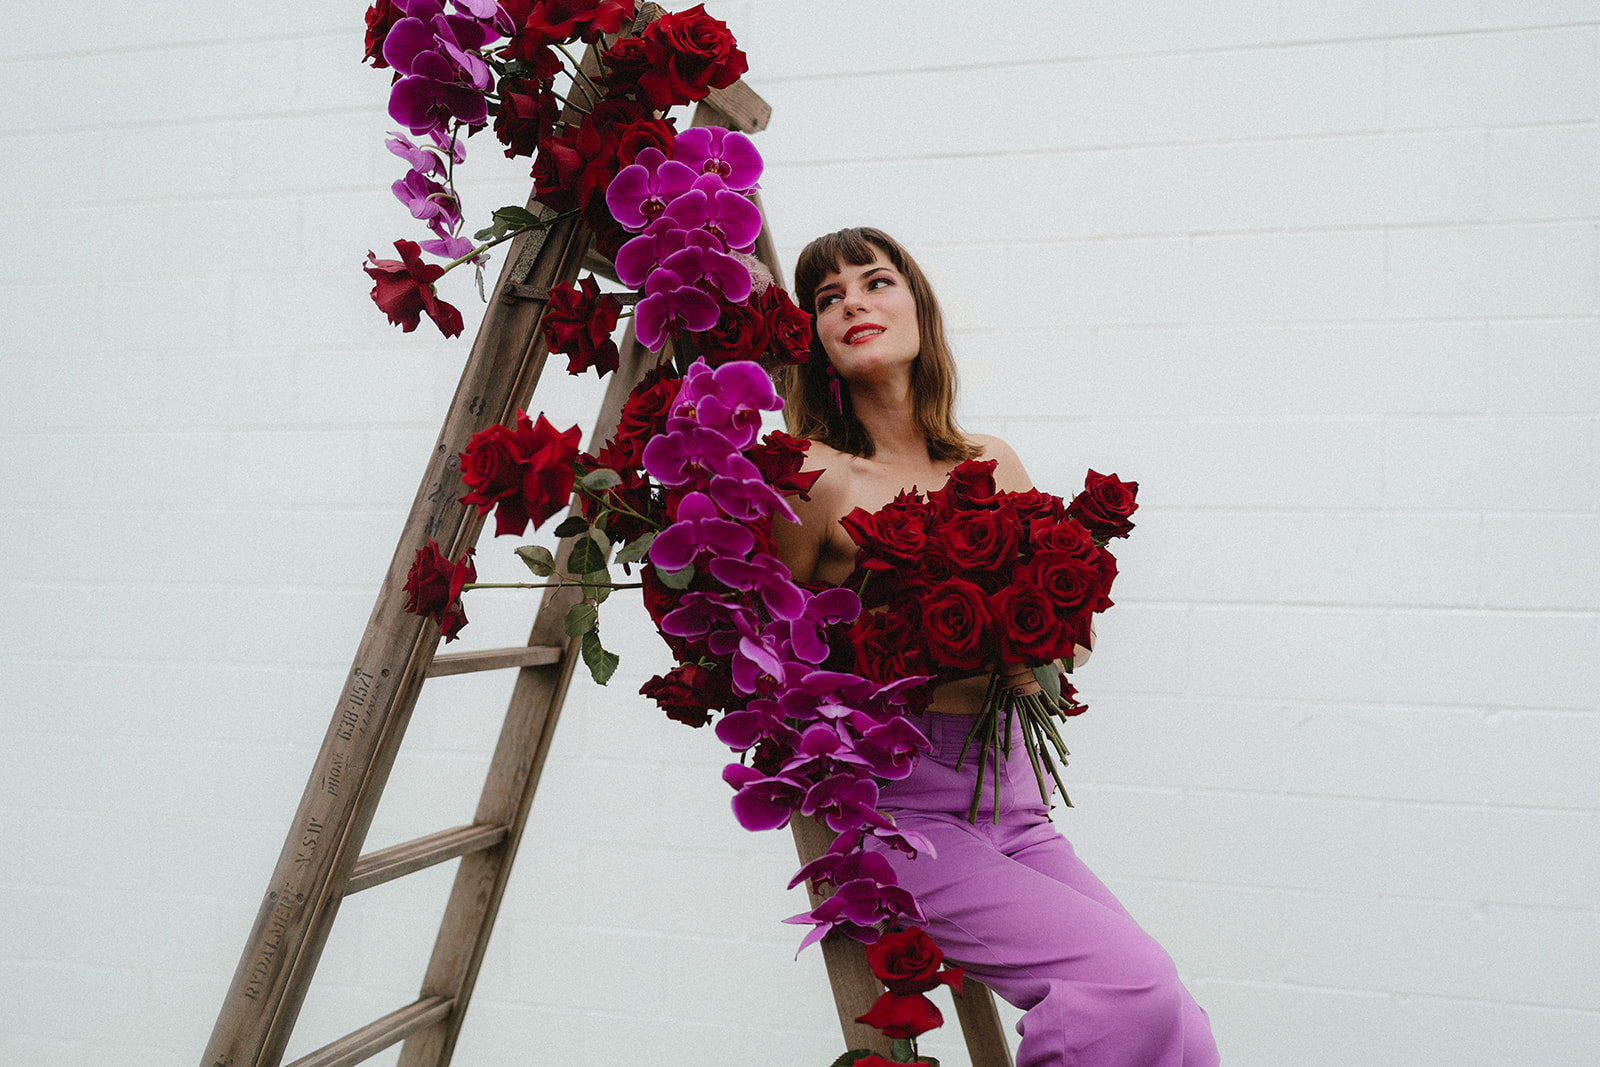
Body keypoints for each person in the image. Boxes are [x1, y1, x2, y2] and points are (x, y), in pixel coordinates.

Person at [771, 227, 1219, 1067]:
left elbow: (1069, 634)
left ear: (919, 308)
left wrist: (1034, 658)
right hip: (904, 811)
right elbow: (765, 657)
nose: (854, 303)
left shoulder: (990, 459)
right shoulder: (816, 476)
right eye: (828, 298)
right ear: (816, 339)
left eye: (876, 282)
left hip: (1014, 795)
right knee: (1130, 991)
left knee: (1183, 1031)